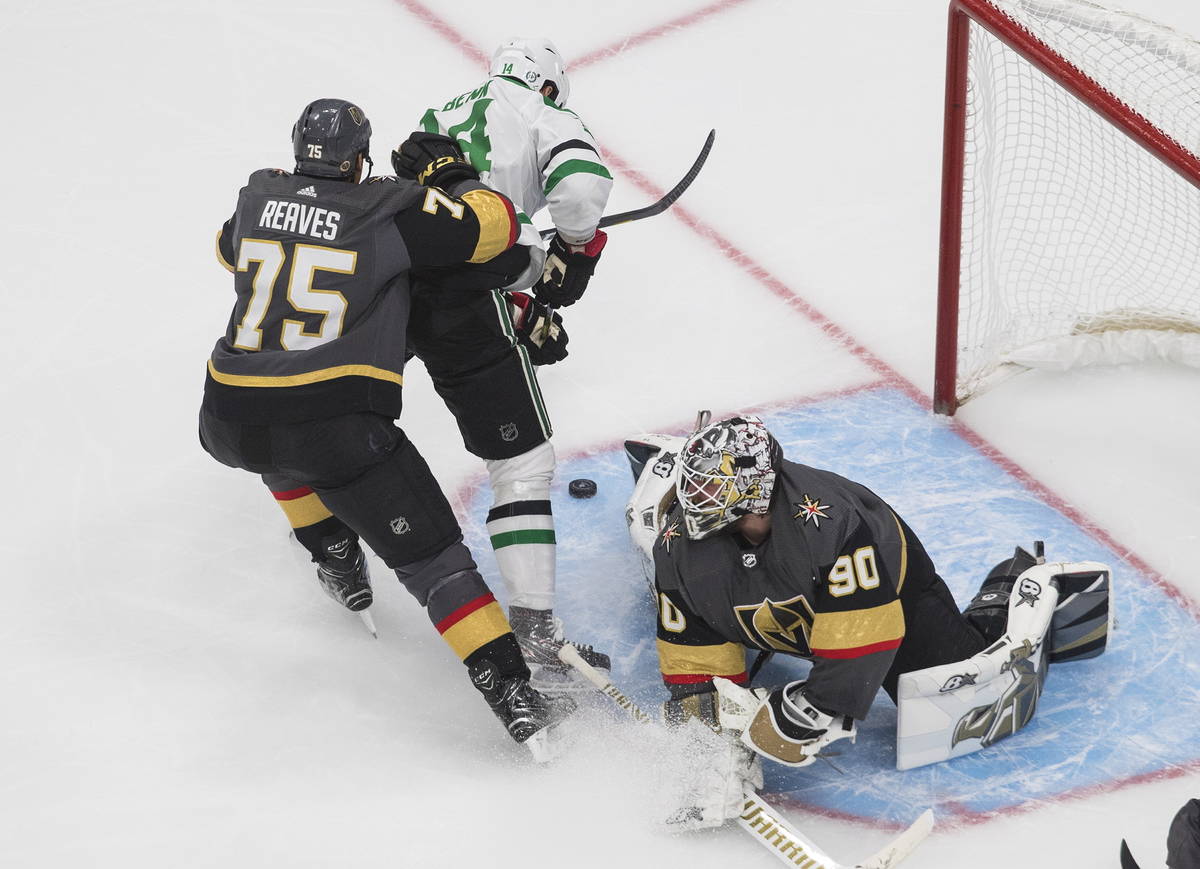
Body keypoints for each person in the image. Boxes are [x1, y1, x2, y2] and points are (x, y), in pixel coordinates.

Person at [199, 97, 571, 753]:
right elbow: (495, 225)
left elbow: (229, 251)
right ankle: (513, 689)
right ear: (361, 156)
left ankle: (334, 553)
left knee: (276, 438)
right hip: (334, 422)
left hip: (228, 410)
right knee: (435, 561)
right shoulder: (385, 208)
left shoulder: (258, 194)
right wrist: (453, 176)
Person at [268, 38, 615, 692]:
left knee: (313, 402)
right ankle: (535, 631)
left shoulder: (444, 110)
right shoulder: (549, 115)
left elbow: (422, 205)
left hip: (388, 277)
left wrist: (518, 297)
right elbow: (580, 189)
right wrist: (575, 247)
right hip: (465, 290)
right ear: (548, 84)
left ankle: (329, 543)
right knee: (519, 461)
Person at [624, 413, 1112, 826]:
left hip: (893, 599)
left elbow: (862, 636)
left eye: (711, 490)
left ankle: (1014, 581)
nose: (695, 504)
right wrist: (708, 732)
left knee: (959, 702)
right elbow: (690, 639)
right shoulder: (679, 543)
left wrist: (814, 707)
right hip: (778, 602)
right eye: (694, 486)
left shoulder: (836, 526)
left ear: (753, 490)